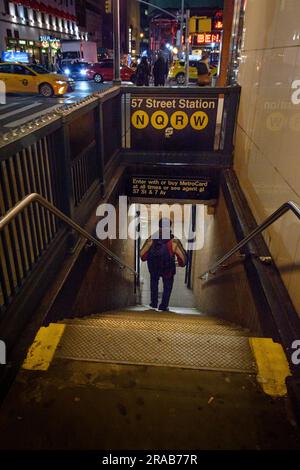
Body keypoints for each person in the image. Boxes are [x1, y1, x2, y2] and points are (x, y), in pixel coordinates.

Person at [140, 218, 187, 311]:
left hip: (154, 267)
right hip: (168, 268)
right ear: (170, 226)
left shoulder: (151, 239)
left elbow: (142, 255)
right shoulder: (174, 241)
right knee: (167, 286)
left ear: (159, 226)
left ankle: (154, 303)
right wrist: (179, 263)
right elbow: (183, 259)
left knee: (154, 283)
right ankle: (163, 306)